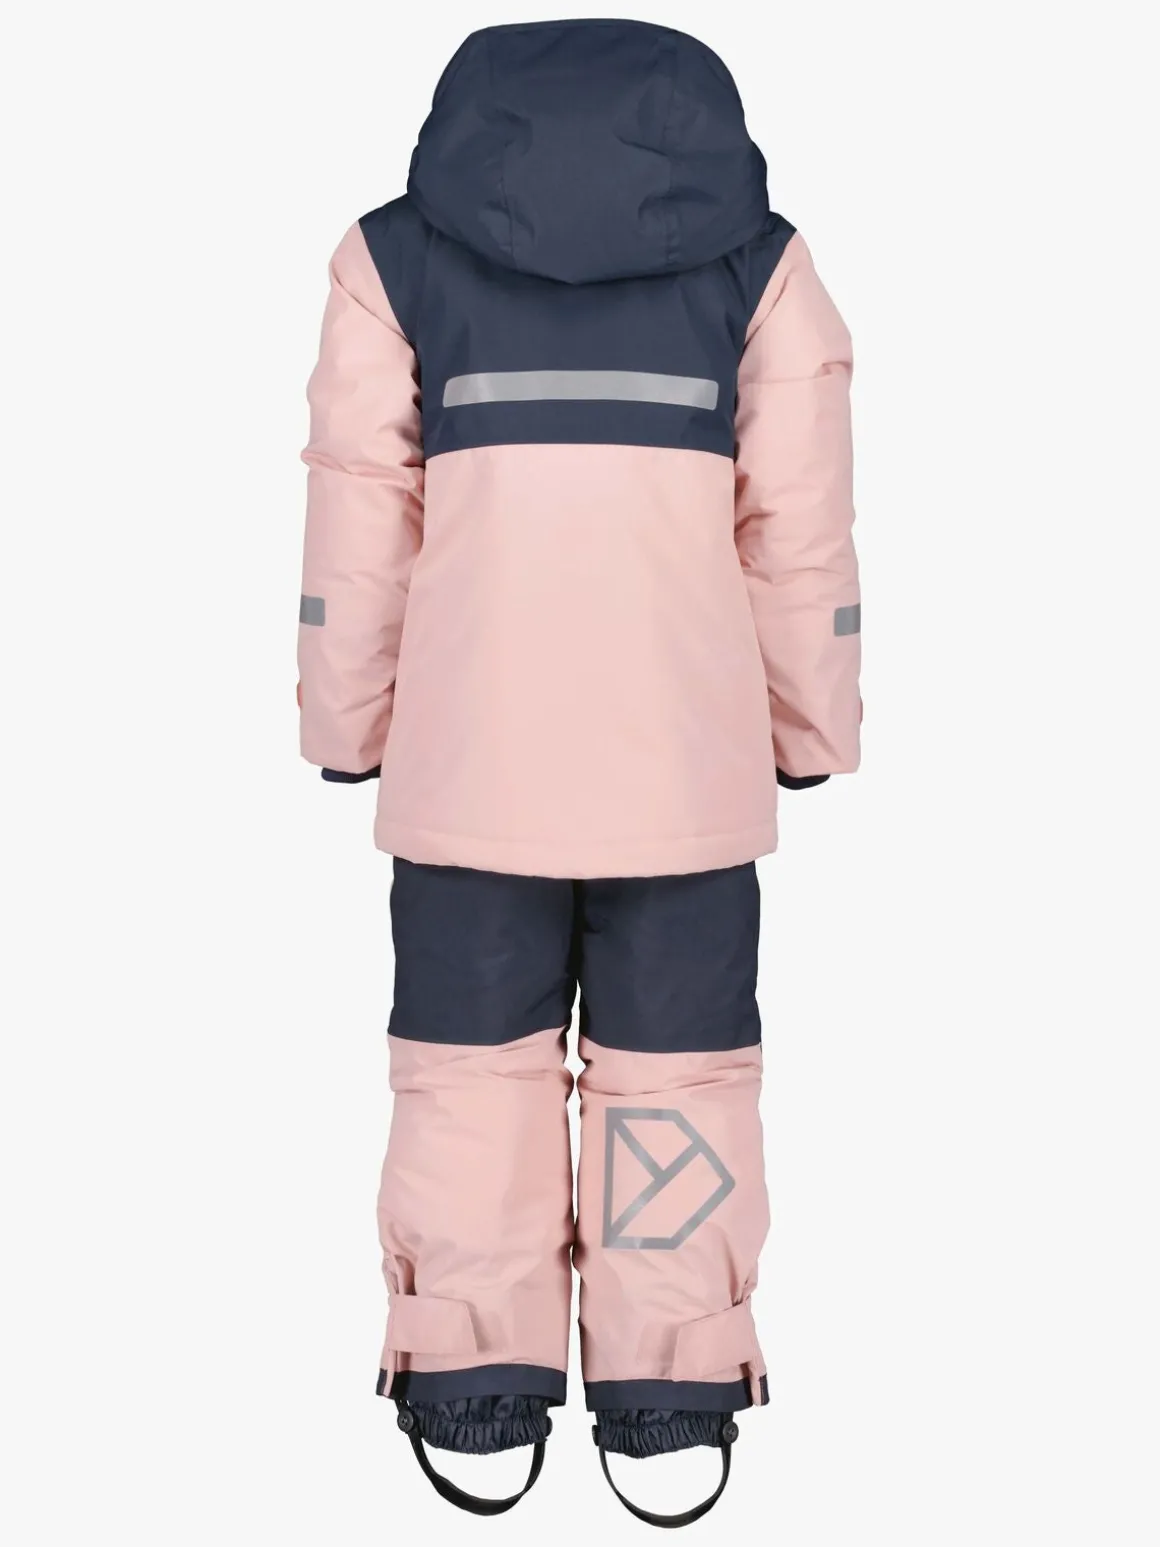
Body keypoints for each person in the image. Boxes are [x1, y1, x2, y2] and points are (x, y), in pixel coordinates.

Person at [297, 18, 860, 1526]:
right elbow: (798, 528)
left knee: (468, 1073)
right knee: (679, 1074)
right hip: (685, 769)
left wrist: (346, 725)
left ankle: (470, 1371)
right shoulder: (763, 268)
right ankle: (671, 1383)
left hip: (466, 762)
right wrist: (810, 731)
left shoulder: (390, 260)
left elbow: (360, 512)